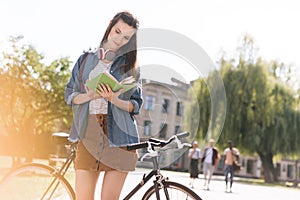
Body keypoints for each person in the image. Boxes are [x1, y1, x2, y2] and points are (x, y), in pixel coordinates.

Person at [64, 11, 143, 200]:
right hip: (89, 133)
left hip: (120, 136)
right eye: (117, 31)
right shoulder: (84, 60)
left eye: (126, 37)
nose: (119, 39)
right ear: (110, 26)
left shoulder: (130, 67)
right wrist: (89, 95)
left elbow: (135, 105)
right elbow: (70, 95)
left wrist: (114, 100)